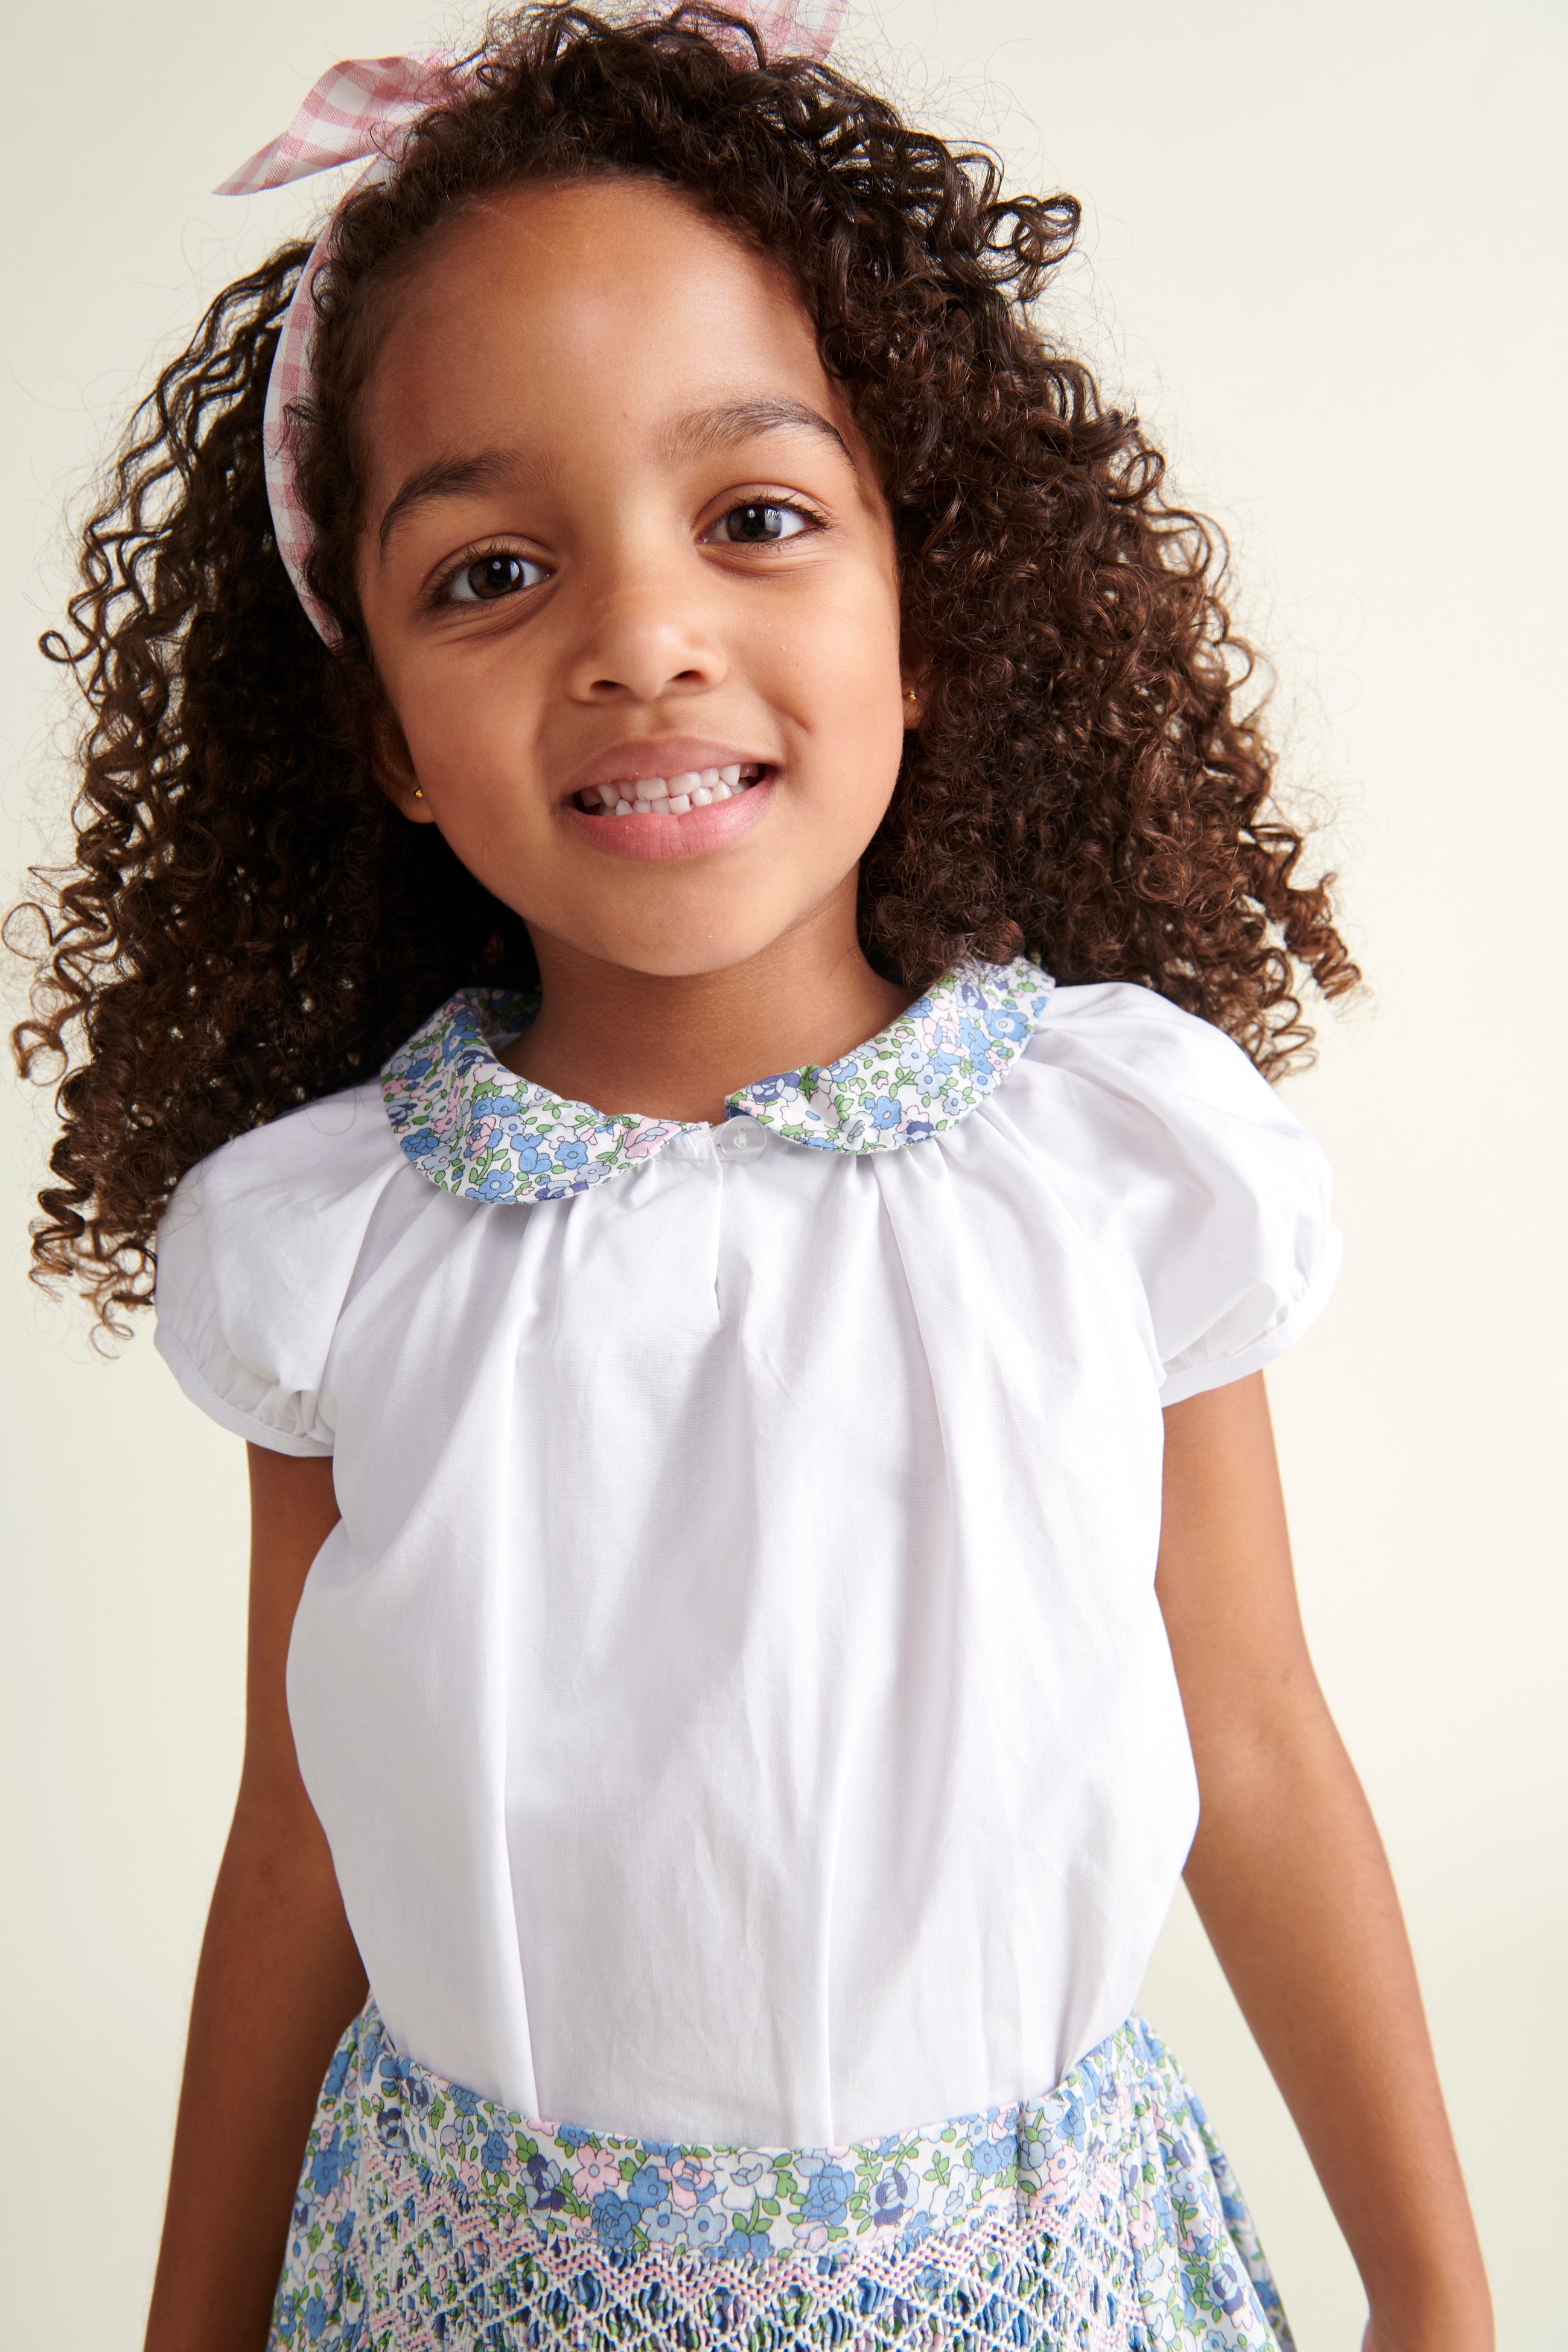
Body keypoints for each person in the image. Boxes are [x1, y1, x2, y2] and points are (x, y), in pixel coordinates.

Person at [8, 7, 1492, 2347]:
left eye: (755, 518)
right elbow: (300, 1835)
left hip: (1021, 2286)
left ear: (924, 628)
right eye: (491, 573)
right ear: (386, 731)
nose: (638, 637)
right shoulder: (339, 1247)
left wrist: (1439, 2306)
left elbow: (1253, 1743)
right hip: (464, 2293)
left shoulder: (1115, 1165)